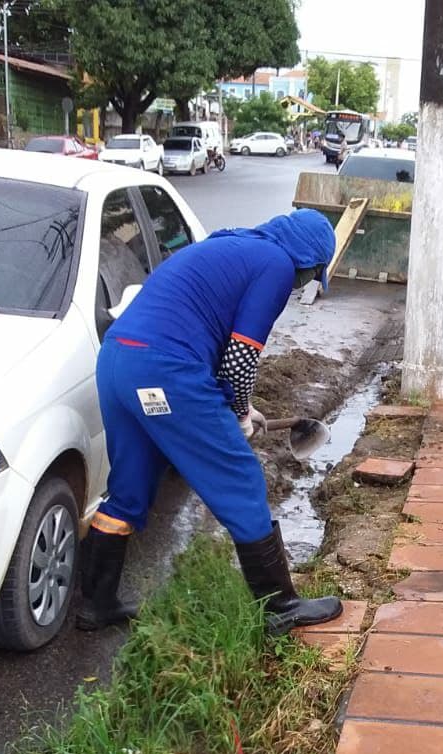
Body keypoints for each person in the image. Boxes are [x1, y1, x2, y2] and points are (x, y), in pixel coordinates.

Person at [78, 208, 343, 636]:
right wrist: (238, 412)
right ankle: (280, 605)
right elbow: (240, 356)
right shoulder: (275, 266)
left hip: (117, 361)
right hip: (165, 370)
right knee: (240, 478)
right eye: (311, 274)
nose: (303, 284)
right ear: (305, 261)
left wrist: (243, 406)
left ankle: (97, 604)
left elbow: (210, 339)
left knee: (129, 489)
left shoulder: (230, 243)